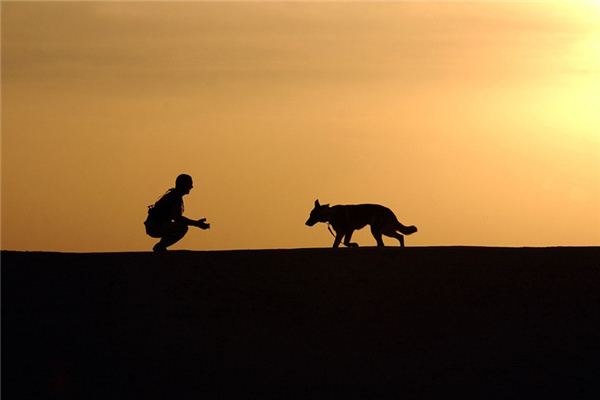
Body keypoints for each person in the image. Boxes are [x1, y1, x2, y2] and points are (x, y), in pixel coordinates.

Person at [144, 174, 210, 252]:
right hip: (155, 226)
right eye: (190, 184)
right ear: (183, 184)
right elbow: (177, 218)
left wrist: (196, 223)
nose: (191, 186)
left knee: (178, 226)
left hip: (157, 225)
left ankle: (161, 246)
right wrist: (196, 224)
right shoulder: (174, 197)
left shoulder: (175, 196)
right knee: (181, 228)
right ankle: (160, 247)